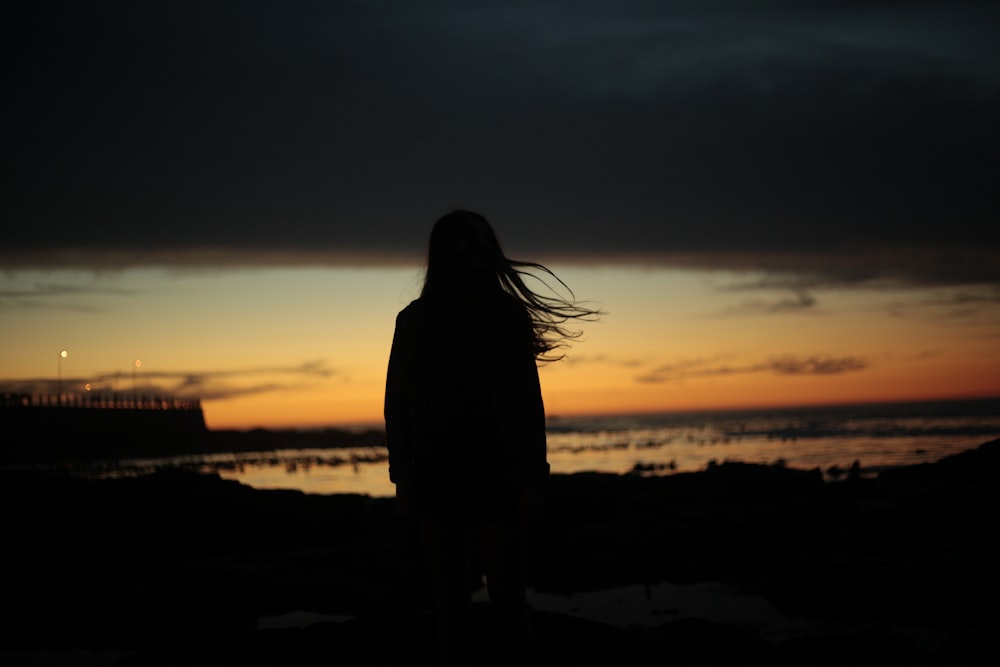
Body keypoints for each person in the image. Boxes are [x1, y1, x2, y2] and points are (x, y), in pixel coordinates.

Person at [384, 209, 600, 666]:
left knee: (506, 595)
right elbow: (397, 404)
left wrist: (534, 477)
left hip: (498, 474)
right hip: (436, 474)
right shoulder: (415, 321)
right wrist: (402, 477)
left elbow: (528, 403)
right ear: (442, 253)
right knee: (450, 603)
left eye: (476, 244)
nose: (468, 253)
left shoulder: (507, 316)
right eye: (460, 244)